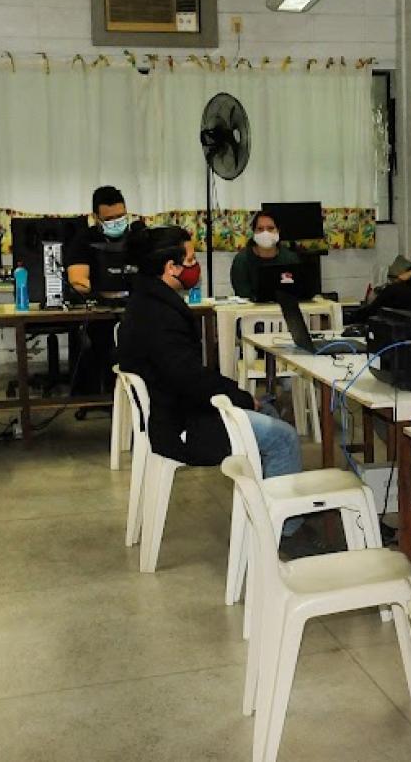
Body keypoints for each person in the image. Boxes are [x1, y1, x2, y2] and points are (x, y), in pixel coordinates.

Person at [116, 227, 308, 546]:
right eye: (190, 259)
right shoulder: (159, 314)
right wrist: (241, 397)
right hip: (181, 427)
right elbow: (189, 379)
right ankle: (284, 535)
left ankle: (263, 515)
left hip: (173, 412)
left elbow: (187, 375)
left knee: (270, 411)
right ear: (171, 268)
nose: (195, 266)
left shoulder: (147, 300)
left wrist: (240, 398)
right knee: (284, 437)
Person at [64, 185, 147, 397]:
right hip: (99, 315)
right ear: (96, 217)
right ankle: (107, 397)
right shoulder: (83, 241)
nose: (116, 223)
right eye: (110, 219)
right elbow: (77, 280)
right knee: (105, 345)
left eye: (121, 216)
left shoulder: (139, 238)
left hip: (138, 310)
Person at [229, 209, 300, 299]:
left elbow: (297, 290)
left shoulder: (290, 259)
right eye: (260, 229)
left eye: (270, 228)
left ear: (278, 230)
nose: (265, 233)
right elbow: (242, 293)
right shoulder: (242, 260)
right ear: (254, 232)